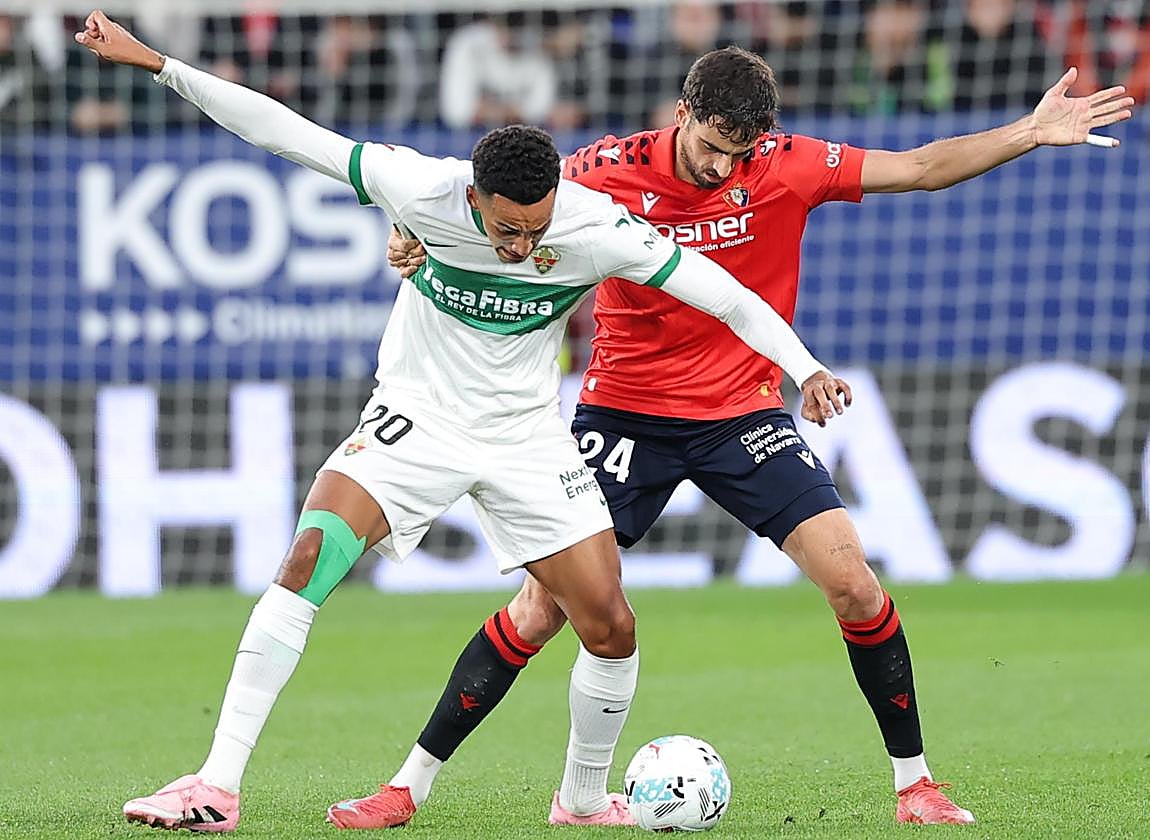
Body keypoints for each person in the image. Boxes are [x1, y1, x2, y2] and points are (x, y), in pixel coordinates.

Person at [73, 11, 852, 833]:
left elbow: (724, 294)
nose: (521, 246)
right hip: (418, 416)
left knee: (610, 624)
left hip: (525, 435)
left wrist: (803, 369)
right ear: (472, 198)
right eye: (504, 228)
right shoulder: (422, 189)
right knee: (309, 557)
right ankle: (215, 786)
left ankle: (583, 803)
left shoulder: (591, 224)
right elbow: (284, 130)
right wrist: (157, 63)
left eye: (536, 228)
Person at [336, 45, 1135, 829]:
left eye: (740, 152)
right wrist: (415, 231)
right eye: (713, 148)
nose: (725, 169)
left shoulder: (787, 164)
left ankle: (915, 785)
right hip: (621, 414)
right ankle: (408, 787)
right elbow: (489, 198)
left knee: (854, 583)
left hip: (742, 415)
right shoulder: (602, 169)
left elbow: (920, 167)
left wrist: (1026, 133)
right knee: (545, 610)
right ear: (682, 115)